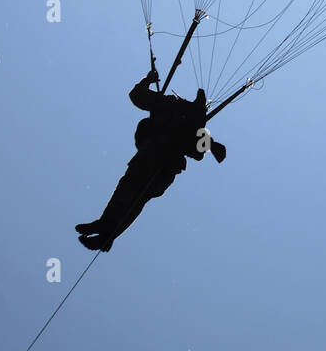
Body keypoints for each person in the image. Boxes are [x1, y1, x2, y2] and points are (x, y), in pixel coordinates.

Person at [76, 69, 226, 251]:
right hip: (151, 155)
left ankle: (107, 233)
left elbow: (199, 151)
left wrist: (211, 143)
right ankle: (106, 226)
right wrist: (148, 80)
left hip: (162, 163)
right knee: (129, 191)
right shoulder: (174, 108)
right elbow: (138, 96)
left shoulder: (189, 120)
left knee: (136, 194)